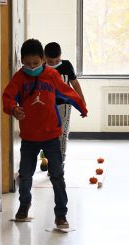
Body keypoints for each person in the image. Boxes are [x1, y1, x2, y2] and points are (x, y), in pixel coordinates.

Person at [2, 39, 87, 228]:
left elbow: (67, 91)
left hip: (51, 136)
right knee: (25, 175)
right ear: (22, 61)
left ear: (42, 60)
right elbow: (8, 97)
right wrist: (14, 109)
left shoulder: (51, 75)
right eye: (27, 64)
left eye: (35, 63)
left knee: (57, 175)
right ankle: (24, 205)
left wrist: (81, 105)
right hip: (29, 137)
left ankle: (61, 214)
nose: (31, 67)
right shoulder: (19, 78)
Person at [44, 42, 86, 170]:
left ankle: (59, 163)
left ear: (61, 56)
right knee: (46, 135)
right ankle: (47, 159)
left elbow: (75, 83)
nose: (54, 63)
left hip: (64, 106)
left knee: (61, 134)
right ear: (44, 58)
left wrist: (81, 100)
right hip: (46, 106)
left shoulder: (66, 66)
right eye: (50, 61)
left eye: (57, 60)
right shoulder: (41, 67)